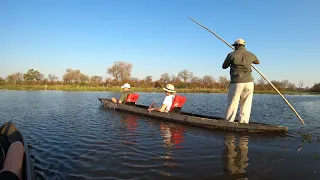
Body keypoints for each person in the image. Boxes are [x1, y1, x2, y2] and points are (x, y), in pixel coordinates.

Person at [222, 38, 260, 124]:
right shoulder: (251, 54)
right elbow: (257, 62)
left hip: (237, 82)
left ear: (237, 46)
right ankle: (243, 123)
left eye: (235, 46)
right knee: (246, 104)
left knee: (232, 103)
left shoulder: (232, 55)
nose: (234, 47)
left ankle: (229, 122)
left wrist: (232, 59)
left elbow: (224, 66)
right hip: (249, 83)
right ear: (243, 46)